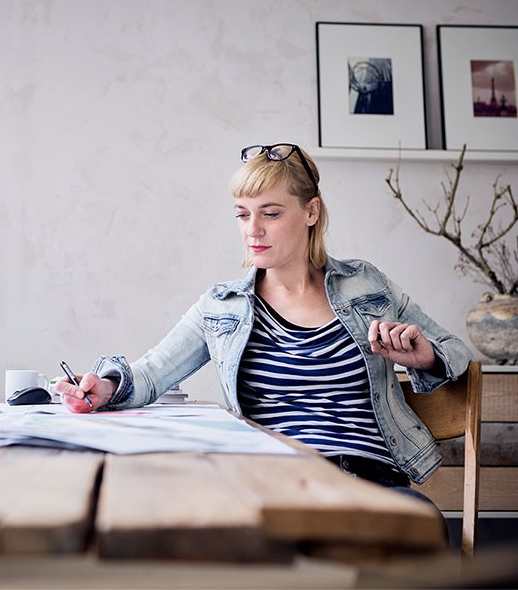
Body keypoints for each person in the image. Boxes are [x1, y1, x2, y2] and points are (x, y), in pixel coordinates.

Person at [57, 142, 472, 500]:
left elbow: (456, 352)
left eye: (270, 214)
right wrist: (104, 386)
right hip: (271, 479)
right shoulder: (221, 308)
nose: (252, 230)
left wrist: (425, 357)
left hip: (369, 479)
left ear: (311, 212)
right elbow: (150, 374)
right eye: (242, 214)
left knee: (419, 526)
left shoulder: (366, 284)